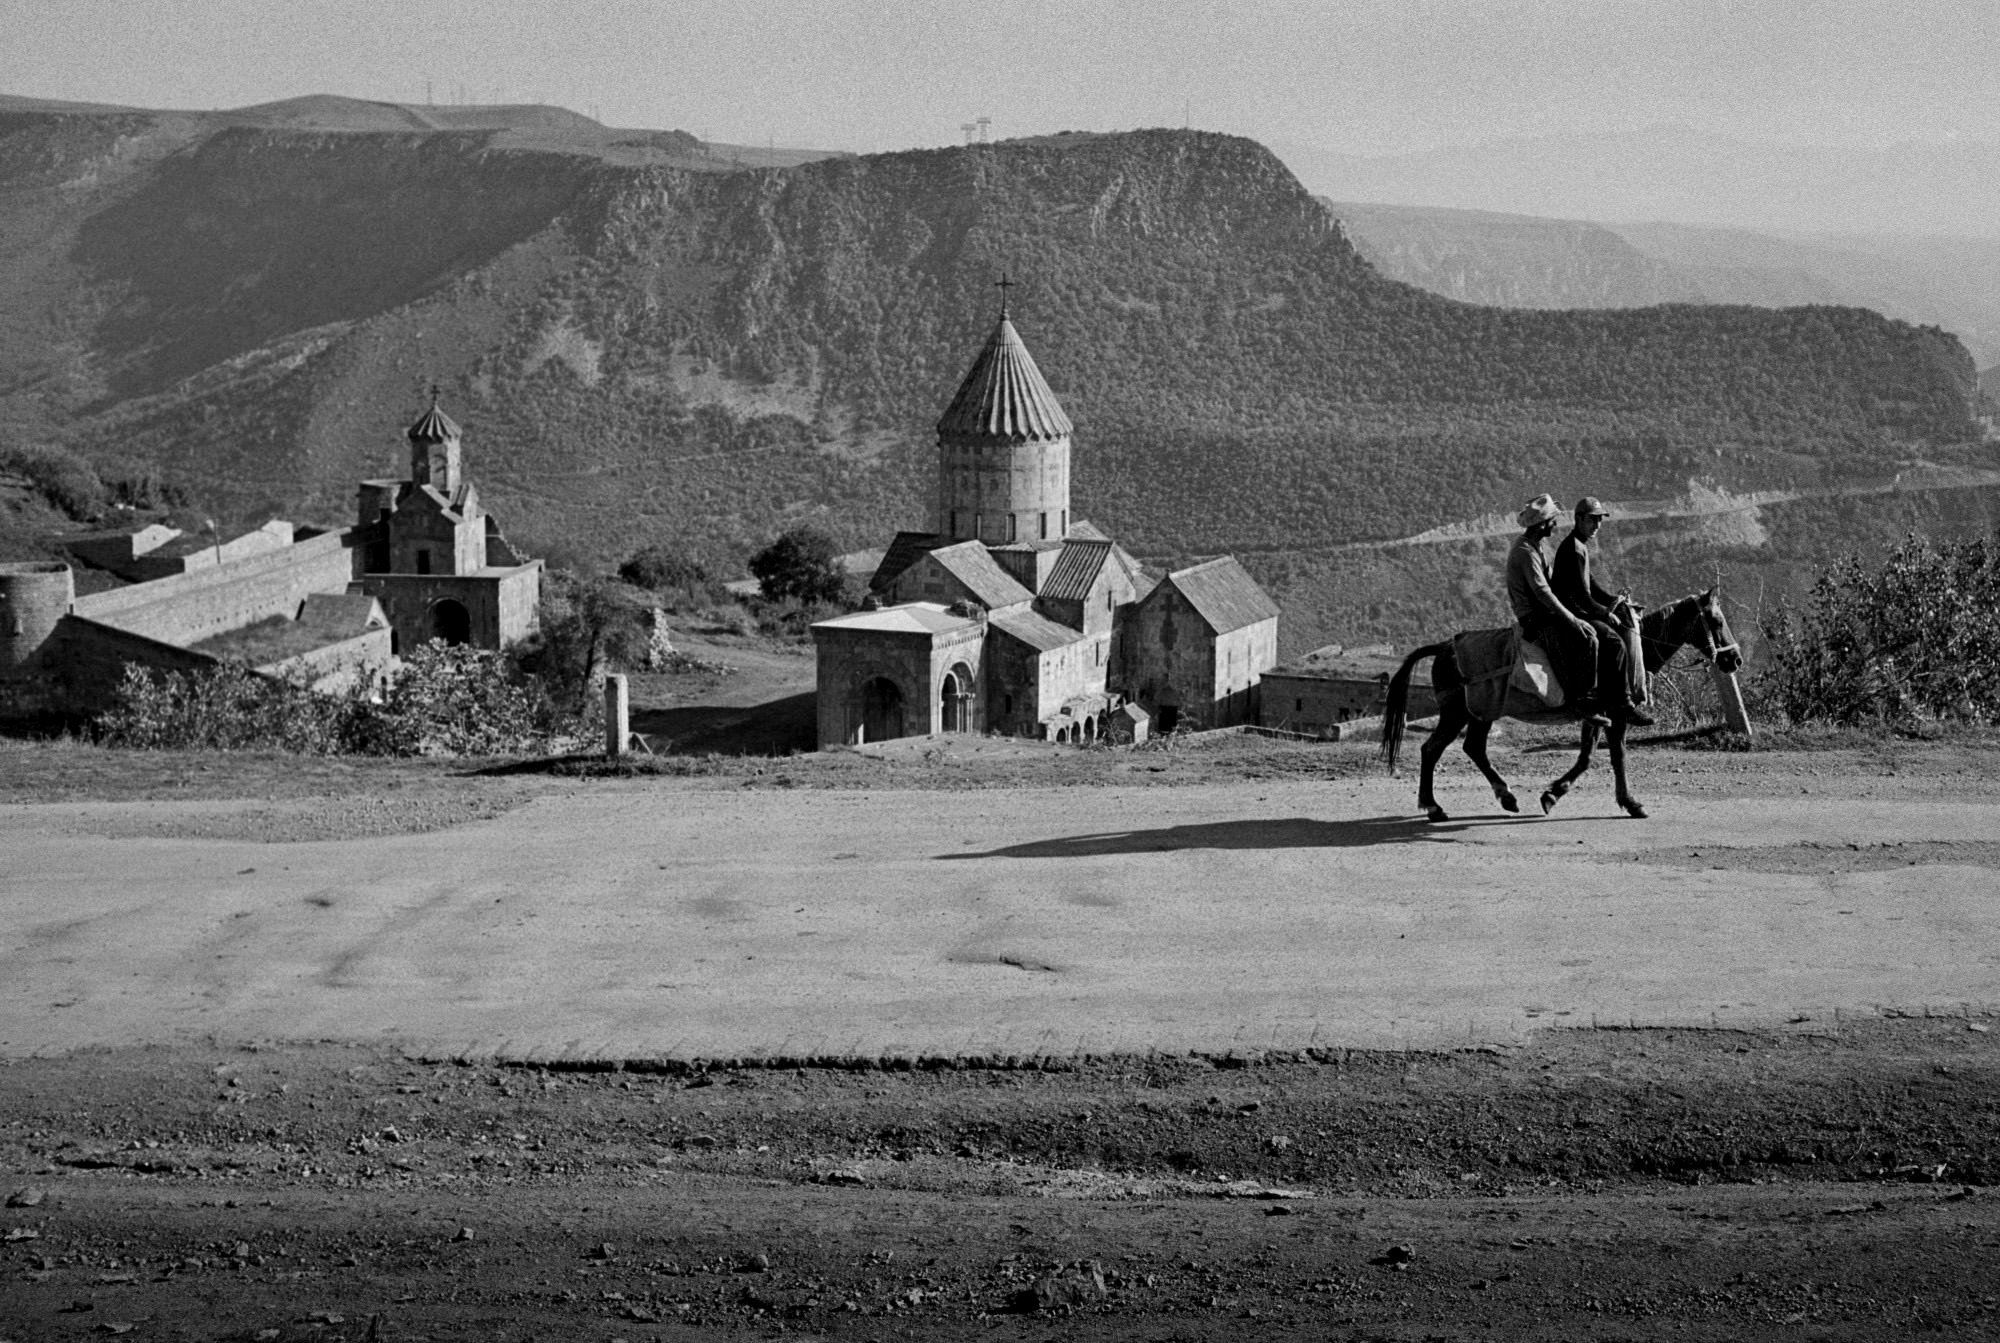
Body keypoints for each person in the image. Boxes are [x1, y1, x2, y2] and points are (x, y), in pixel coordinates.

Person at [1505, 493, 1611, 726]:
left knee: (1588, 628)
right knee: (1589, 638)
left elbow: (1553, 584)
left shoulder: (1536, 547)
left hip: (1543, 612)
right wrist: (1573, 619)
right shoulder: (1526, 552)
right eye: (1553, 520)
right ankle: (1581, 701)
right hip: (1534, 617)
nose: (1555, 524)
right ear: (1543, 524)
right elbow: (1543, 592)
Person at [1553, 497, 1655, 726]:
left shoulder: (1579, 545)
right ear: (1578, 519)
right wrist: (1604, 613)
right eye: (1592, 520)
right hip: (1572, 613)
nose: (1597, 525)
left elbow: (1590, 584)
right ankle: (1624, 704)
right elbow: (1581, 595)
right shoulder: (1573, 548)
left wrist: (1613, 601)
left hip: (1578, 608)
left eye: (1599, 520)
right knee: (1615, 643)